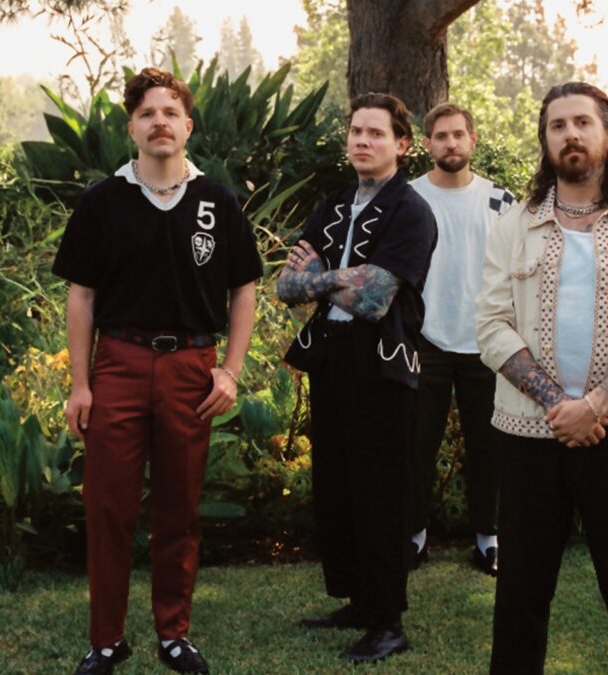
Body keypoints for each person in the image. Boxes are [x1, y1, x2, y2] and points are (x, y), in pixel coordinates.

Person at [55, 67, 262, 675]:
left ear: (188, 126)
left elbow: (244, 289)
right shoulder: (102, 201)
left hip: (191, 368)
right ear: (132, 128)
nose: (159, 122)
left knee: (180, 506)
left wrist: (230, 371)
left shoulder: (217, 200)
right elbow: (81, 295)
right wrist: (80, 383)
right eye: (147, 113)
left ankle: (174, 634)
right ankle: (106, 640)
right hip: (118, 363)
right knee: (108, 507)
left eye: (170, 112)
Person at [476, 81, 608, 675]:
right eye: (557, 125)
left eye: (582, 122)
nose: (570, 134)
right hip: (529, 433)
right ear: (545, 142)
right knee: (521, 590)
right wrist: (559, 406)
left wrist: (594, 404)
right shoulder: (513, 226)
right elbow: (490, 325)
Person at [276, 92, 437, 664]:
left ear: (402, 144)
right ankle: (359, 601)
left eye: (376, 133)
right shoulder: (332, 205)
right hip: (332, 359)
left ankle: (388, 620)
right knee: (339, 488)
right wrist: (335, 278)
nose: (363, 141)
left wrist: (320, 276)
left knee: (381, 495)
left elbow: (374, 299)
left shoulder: (411, 211)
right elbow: (285, 286)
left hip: (383, 365)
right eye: (356, 131)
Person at [408, 102, 514, 576]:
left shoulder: (501, 201)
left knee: (489, 447)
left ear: (473, 140)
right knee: (416, 445)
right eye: (441, 136)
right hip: (423, 337)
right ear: (426, 144)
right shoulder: (408, 198)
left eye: (458, 134)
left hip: (486, 340)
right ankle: (413, 537)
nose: (450, 143)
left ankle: (488, 539)